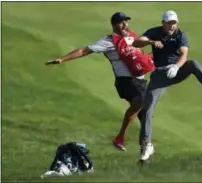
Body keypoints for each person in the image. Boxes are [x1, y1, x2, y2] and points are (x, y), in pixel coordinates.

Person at [45, 12, 149, 152]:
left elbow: (140, 54)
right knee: (140, 102)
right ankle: (120, 137)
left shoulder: (133, 36)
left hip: (140, 81)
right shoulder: (108, 41)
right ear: (113, 25)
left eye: (126, 21)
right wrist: (63, 59)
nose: (125, 25)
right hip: (125, 81)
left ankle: (144, 148)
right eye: (121, 22)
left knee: (146, 113)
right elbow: (84, 51)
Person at [132, 10, 202, 161]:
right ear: (163, 23)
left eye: (174, 23)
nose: (171, 26)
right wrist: (151, 42)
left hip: (177, 70)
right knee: (147, 109)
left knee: (193, 64)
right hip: (160, 75)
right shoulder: (155, 32)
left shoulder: (180, 35)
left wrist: (176, 67)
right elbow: (136, 42)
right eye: (169, 23)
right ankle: (146, 145)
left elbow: (184, 55)